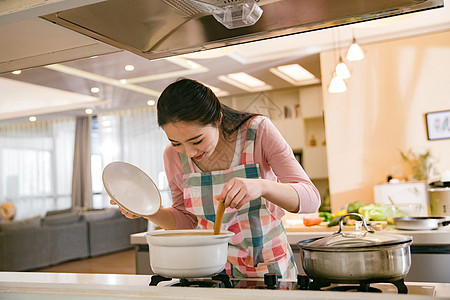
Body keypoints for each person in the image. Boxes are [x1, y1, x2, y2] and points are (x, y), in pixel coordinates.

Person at [112, 78, 320, 279]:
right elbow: (187, 222)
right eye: (176, 143)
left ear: (218, 119)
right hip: (209, 270)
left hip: (268, 269)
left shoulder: (258, 132)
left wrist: (262, 187)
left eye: (197, 140)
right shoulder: (172, 156)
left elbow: (311, 198)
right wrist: (149, 211)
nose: (189, 152)